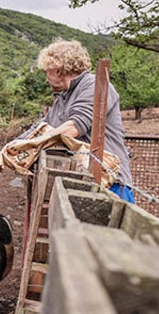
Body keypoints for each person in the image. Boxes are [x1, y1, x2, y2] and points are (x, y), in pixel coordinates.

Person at [17, 38, 135, 203]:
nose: (46, 78)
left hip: (111, 183)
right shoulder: (63, 98)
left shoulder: (95, 85)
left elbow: (73, 128)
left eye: (46, 72)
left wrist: (27, 147)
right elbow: (41, 126)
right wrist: (13, 146)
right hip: (84, 180)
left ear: (58, 69)